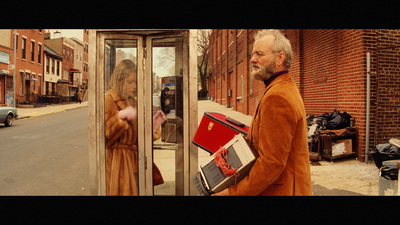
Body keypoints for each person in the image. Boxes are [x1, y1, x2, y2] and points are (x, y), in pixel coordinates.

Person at [212, 29, 312, 196]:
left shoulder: (278, 97)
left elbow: (271, 163)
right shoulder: (281, 87)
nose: (252, 59)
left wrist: (232, 192)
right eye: (253, 54)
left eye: (259, 54)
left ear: (280, 58)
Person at [105, 59, 166, 196]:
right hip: (118, 166)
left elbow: (138, 137)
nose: (134, 86)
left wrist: (153, 126)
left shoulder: (133, 102)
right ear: (119, 80)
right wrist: (120, 118)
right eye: (130, 82)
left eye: (136, 82)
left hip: (134, 163)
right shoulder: (108, 100)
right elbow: (103, 137)